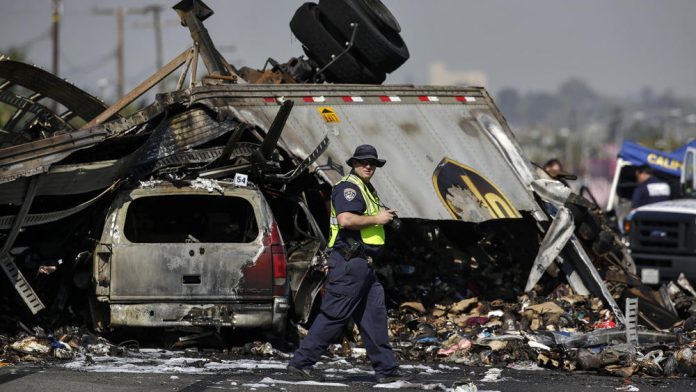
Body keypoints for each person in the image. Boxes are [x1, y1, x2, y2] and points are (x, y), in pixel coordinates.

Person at [287, 144, 404, 383]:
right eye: (363, 162)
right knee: (334, 316)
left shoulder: (365, 188)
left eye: (372, 162)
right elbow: (346, 219)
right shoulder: (348, 188)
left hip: (364, 266)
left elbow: (363, 218)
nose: (368, 166)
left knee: (374, 317)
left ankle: (387, 371)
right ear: (353, 164)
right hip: (350, 262)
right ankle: (301, 363)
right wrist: (377, 218)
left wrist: (384, 216)